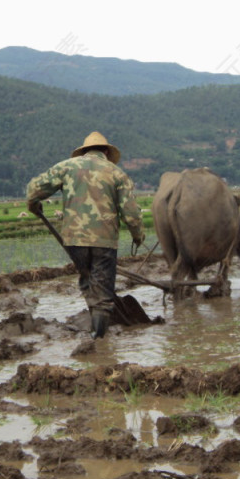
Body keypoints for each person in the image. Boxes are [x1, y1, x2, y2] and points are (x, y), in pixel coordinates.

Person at [26, 132, 145, 339]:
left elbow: (34, 189)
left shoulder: (66, 167)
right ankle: (99, 341)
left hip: (74, 241)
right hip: (104, 242)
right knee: (103, 288)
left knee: (88, 279)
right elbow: (132, 214)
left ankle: (95, 329)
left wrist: (33, 205)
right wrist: (138, 236)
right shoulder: (117, 174)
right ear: (106, 152)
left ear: (83, 151)